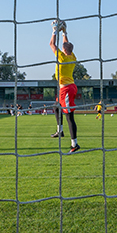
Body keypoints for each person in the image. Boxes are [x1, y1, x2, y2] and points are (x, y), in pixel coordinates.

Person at [49, 19, 80, 153]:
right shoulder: (72, 57)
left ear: (64, 50)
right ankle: (60, 131)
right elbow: (66, 44)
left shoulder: (62, 57)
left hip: (67, 89)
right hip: (68, 87)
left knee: (69, 117)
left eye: (63, 48)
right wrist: (64, 32)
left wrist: (55, 31)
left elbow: (51, 44)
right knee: (56, 107)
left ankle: (74, 144)